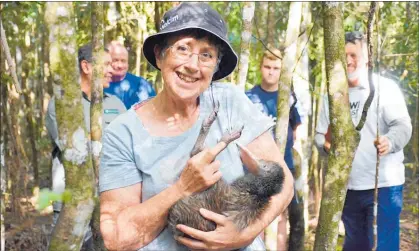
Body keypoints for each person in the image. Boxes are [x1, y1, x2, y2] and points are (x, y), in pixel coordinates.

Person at [99, 3, 294, 251]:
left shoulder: (229, 101)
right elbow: (117, 238)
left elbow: (283, 181)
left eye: (206, 55)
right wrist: (183, 188)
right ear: (160, 55)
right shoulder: (122, 133)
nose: (193, 65)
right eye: (183, 49)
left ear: (215, 67)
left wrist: (245, 233)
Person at [314, 31, 412, 251]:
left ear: (367, 57)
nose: (348, 60)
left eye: (353, 55)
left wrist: (389, 141)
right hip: (348, 186)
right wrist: (325, 146)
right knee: (356, 245)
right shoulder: (332, 94)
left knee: (383, 245)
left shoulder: (384, 88)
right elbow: (320, 137)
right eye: (343, 55)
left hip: (384, 185)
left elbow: (403, 126)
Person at [45, 44, 126, 249]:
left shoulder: (115, 104)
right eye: (105, 64)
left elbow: (127, 147)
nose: (112, 69)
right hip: (71, 199)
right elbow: (75, 149)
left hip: (110, 199)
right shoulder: (63, 104)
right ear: (86, 67)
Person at [246, 47, 302, 250]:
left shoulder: (289, 98)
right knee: (257, 217)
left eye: (276, 68)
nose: (271, 71)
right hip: (255, 170)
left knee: (280, 218)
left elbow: (296, 130)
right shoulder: (248, 97)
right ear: (261, 68)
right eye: (267, 67)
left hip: (283, 166)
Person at [104, 41, 156, 109]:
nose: (120, 65)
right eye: (115, 60)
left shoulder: (140, 85)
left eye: (123, 61)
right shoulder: (98, 84)